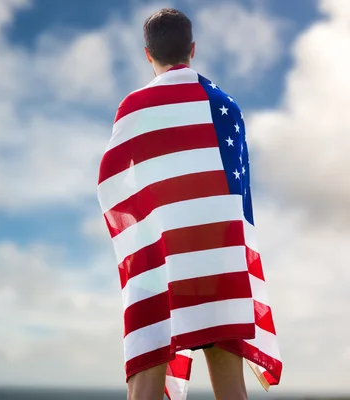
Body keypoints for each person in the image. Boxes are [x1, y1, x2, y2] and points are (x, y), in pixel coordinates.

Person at [96, 8, 282, 400]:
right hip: (218, 258)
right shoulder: (225, 106)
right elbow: (238, 194)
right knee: (230, 384)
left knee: (145, 380)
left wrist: (146, 230)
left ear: (148, 54)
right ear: (192, 49)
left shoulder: (134, 108)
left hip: (158, 259)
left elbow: (112, 185)